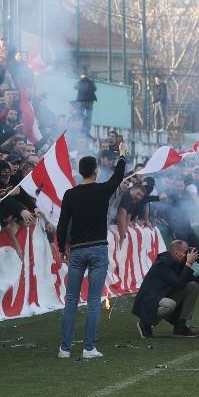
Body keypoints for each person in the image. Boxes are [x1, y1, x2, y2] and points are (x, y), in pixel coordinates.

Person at [55, 141, 128, 359]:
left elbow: (61, 224)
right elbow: (117, 178)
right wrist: (122, 157)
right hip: (98, 249)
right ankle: (88, 348)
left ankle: (65, 348)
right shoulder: (102, 190)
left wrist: (60, 248)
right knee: (94, 300)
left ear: (80, 172)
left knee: (71, 300)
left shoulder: (70, 194)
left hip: (76, 250)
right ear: (95, 171)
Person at [133, 240, 199, 337]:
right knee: (169, 305)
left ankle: (180, 326)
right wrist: (189, 264)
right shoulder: (163, 263)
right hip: (148, 301)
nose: (189, 255)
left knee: (192, 286)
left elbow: (195, 284)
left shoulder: (179, 263)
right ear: (177, 253)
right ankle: (145, 323)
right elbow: (179, 283)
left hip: (163, 296)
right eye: (186, 252)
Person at [74, 69, 97, 134]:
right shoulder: (80, 82)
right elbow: (75, 86)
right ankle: (80, 128)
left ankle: (87, 129)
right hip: (82, 101)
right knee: (80, 115)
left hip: (89, 102)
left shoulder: (91, 82)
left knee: (88, 116)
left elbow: (95, 88)